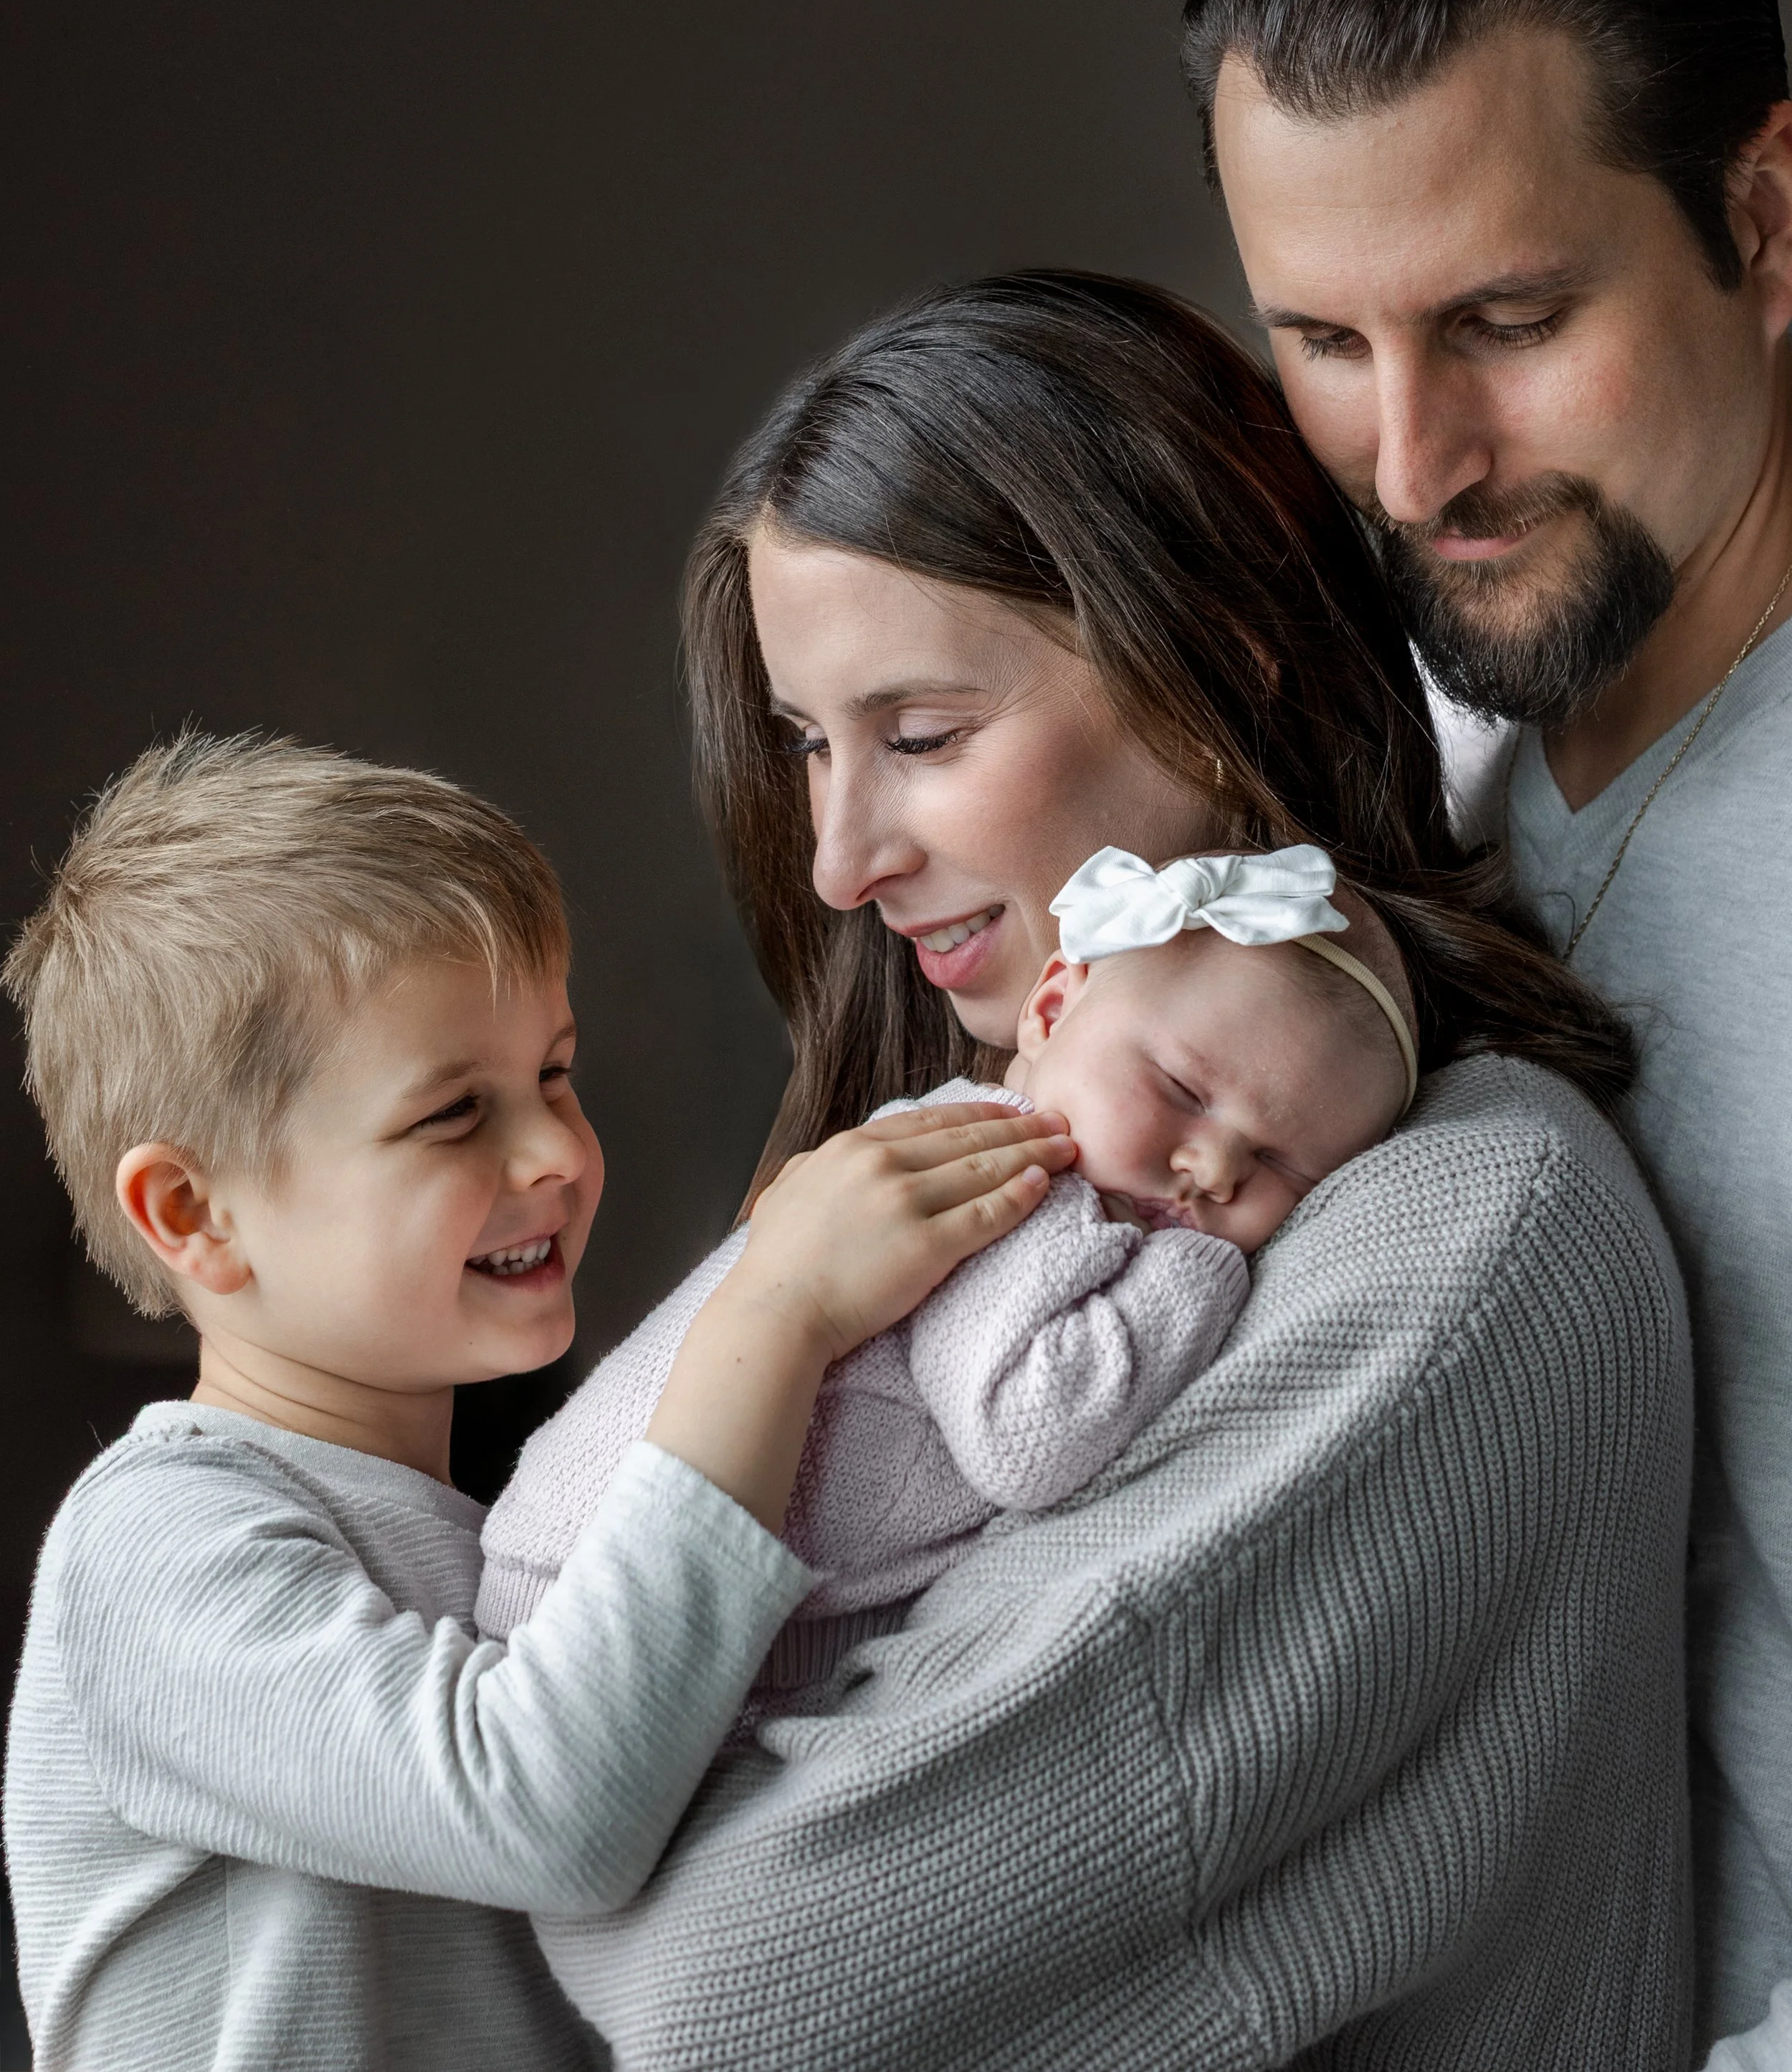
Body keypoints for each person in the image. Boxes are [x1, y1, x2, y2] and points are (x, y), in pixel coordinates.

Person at [491, 270, 1693, 2068]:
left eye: (920, 737)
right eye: (806, 745)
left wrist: (562, 1801)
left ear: (1216, 683)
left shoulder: (1460, 1231)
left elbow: (728, 1979)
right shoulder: (1014, 1170)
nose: (834, 859)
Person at [1, 731, 1067, 2072]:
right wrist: (777, 1311)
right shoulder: (150, 1547)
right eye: (455, 1114)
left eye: (555, 1073)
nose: (558, 1148)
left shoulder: (507, 1535)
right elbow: (549, 1809)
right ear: (194, 1213)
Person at [1181, 0, 1792, 2063]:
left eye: (1506, 320)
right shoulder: (1398, 732)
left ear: (1765, 211)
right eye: (1322, 341)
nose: (1414, 464)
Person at [480, 844, 1416, 1690]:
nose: (1214, 1168)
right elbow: (1033, 1431)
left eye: (1280, 1164)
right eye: (1181, 1090)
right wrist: (1205, 1272)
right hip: (602, 1577)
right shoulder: (1010, 1180)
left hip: (711, 1584)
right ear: (1050, 1009)